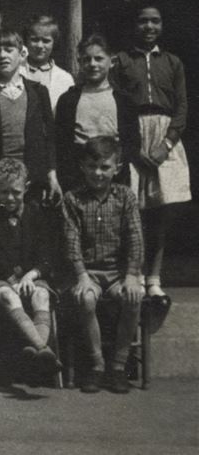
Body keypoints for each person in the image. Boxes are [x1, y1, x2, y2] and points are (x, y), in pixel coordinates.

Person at [113, 0, 191, 299]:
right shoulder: (121, 60)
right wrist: (133, 149)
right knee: (134, 214)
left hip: (165, 138)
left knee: (160, 213)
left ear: (162, 25)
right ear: (134, 24)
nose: (148, 26)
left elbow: (182, 108)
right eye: (143, 20)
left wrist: (166, 145)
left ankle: (154, 277)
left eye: (155, 21)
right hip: (133, 136)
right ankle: (134, 274)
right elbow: (117, 106)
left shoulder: (172, 62)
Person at [62, 136, 144, 394]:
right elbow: (71, 241)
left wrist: (131, 275)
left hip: (118, 273)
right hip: (89, 273)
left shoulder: (125, 197)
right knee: (86, 299)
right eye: (92, 166)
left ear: (117, 167)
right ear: (83, 167)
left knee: (133, 297)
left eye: (105, 167)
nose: (98, 173)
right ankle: (97, 365)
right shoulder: (73, 199)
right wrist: (82, 276)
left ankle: (118, 367)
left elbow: (135, 238)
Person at [0, 158, 62, 380]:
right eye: (4, 192)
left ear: (27, 188)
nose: (10, 198)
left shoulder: (37, 215)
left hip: (32, 276)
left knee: (41, 296)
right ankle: (44, 349)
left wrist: (31, 276)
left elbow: (47, 255)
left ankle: (37, 350)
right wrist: (12, 280)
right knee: (8, 296)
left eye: (16, 192)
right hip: (0, 277)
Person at [0, 30, 61, 207]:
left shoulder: (38, 92)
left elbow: (50, 138)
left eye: (8, 50)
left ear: (22, 54)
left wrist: (51, 175)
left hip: (32, 179)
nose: (3, 56)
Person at [55, 34, 139, 193]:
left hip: (114, 177)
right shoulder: (68, 100)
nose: (92, 64)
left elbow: (132, 142)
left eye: (99, 59)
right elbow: (62, 143)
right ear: (79, 62)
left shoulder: (124, 100)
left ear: (112, 61)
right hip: (77, 177)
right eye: (86, 59)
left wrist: (115, 166)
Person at [19, 15, 75, 112]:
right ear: (26, 41)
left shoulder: (65, 78)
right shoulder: (15, 71)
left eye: (46, 41)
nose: (40, 46)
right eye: (34, 40)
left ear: (54, 43)